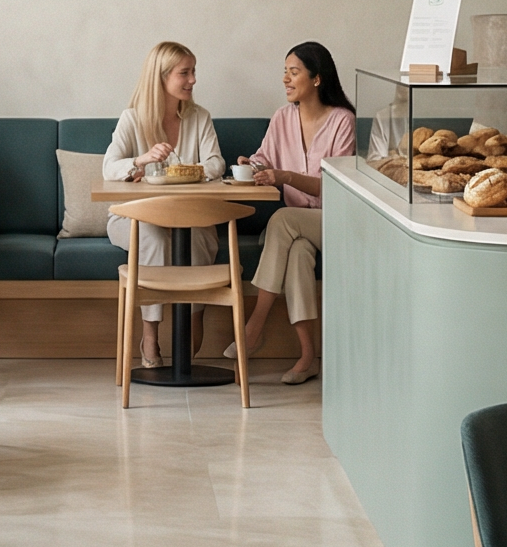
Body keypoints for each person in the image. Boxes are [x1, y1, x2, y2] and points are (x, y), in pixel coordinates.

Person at [232, 41, 356, 386]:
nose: (286, 79)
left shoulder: (342, 121)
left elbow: (337, 187)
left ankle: (254, 325)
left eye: (294, 71)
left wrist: (285, 177)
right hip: (300, 230)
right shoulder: (282, 117)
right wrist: (252, 165)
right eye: (284, 72)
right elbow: (265, 158)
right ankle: (308, 357)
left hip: (334, 222)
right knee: (298, 253)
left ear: (317, 78)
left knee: (282, 218)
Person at [103, 40, 225, 369]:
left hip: (188, 216)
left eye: (193, 72)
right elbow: (108, 167)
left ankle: (193, 315)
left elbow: (216, 164)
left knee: (199, 235)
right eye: (184, 73)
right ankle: (150, 334)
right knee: (153, 236)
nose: (193, 80)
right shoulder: (132, 119)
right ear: (161, 78)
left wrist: (183, 171)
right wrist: (141, 160)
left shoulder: (200, 118)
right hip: (134, 218)